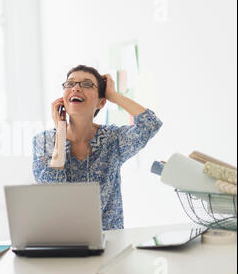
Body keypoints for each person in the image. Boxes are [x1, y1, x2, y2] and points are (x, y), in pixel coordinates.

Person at [32, 65, 163, 230]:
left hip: (110, 243)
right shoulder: (43, 141)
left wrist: (114, 96)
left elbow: (150, 124)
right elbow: (52, 193)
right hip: (61, 240)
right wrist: (61, 133)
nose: (76, 88)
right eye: (70, 84)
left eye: (87, 84)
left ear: (101, 102)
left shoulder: (112, 139)